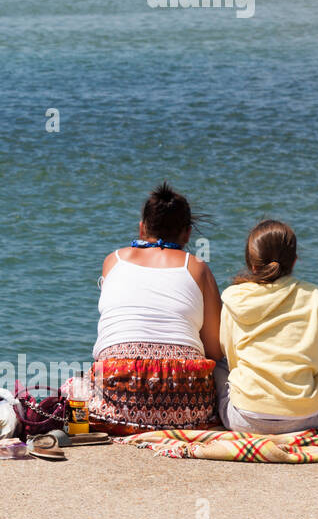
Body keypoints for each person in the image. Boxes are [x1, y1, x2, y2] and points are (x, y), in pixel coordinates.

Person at [87, 183, 224, 432]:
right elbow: (214, 350)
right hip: (188, 408)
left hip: (116, 402)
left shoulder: (113, 261)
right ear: (187, 234)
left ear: (141, 228)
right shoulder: (198, 267)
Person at [215, 220, 318, 434]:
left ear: (252, 264)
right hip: (308, 418)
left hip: (244, 419)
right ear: (295, 261)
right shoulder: (316, 296)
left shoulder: (233, 299)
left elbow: (232, 361)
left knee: (218, 367)